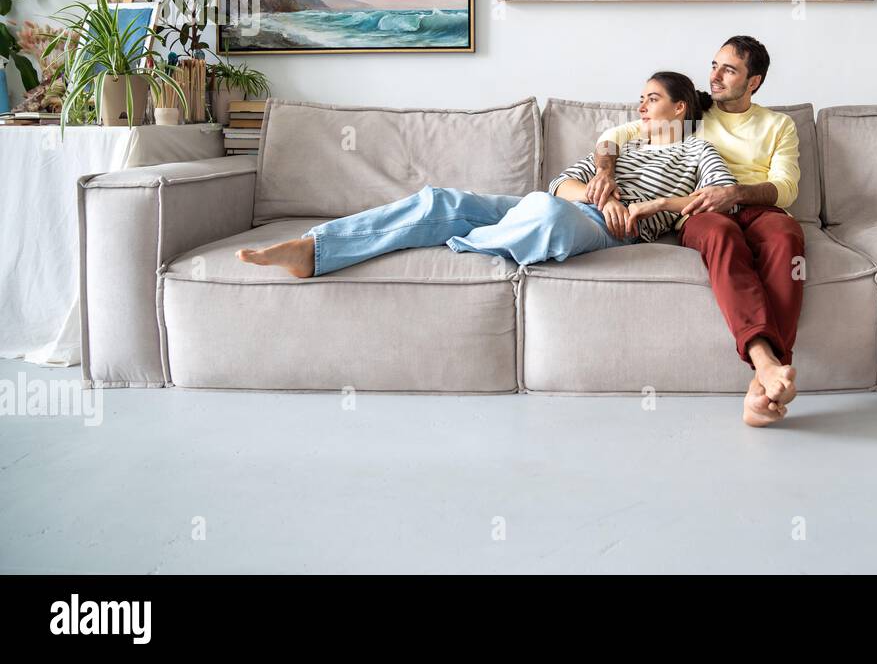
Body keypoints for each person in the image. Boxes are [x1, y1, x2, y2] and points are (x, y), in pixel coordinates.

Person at [236, 72, 737, 280]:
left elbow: (722, 196)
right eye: (642, 98)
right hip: (573, 207)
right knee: (439, 201)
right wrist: (598, 192)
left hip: (609, 232)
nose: (640, 105)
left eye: (651, 98)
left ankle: (460, 241)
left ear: (681, 106)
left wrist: (646, 209)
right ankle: (316, 250)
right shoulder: (619, 144)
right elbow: (561, 183)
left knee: (547, 215)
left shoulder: (697, 150)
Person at [589, 36, 803, 428]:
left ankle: (764, 381)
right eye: (714, 65)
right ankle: (769, 368)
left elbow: (786, 187)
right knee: (722, 238)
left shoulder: (778, 125)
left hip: (758, 206)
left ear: (753, 81)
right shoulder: (695, 109)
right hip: (697, 209)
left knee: (787, 238)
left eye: (729, 70)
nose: (715, 76)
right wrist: (604, 170)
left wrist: (735, 191)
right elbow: (614, 137)